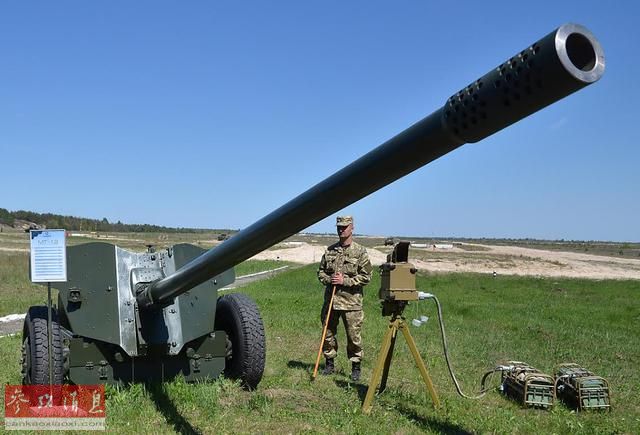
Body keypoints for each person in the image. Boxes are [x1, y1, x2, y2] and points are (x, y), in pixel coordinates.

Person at [317, 215, 372, 381]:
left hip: (351, 303)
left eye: (345, 227)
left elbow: (367, 276)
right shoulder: (330, 251)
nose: (341, 230)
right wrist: (329, 279)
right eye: (339, 227)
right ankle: (329, 364)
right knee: (328, 333)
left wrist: (345, 281)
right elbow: (320, 272)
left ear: (352, 227)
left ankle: (355, 367)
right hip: (332, 302)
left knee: (353, 336)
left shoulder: (360, 252)